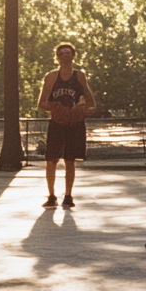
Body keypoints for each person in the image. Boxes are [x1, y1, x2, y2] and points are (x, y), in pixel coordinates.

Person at [36, 43, 96, 209]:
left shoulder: (80, 76)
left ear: (73, 56)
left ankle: (68, 195)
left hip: (75, 123)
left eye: (68, 53)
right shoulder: (51, 77)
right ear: (57, 58)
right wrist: (56, 107)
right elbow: (41, 103)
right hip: (57, 122)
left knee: (70, 160)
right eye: (61, 54)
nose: (65, 56)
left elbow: (92, 103)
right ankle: (51, 195)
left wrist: (81, 110)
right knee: (51, 160)